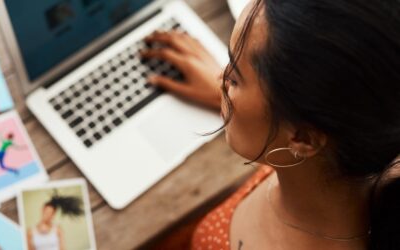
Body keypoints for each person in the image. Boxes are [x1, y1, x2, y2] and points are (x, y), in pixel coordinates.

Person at [141, 0, 400, 249]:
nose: (221, 76)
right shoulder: (372, 145)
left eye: (235, 78)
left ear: (302, 138)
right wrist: (231, 95)